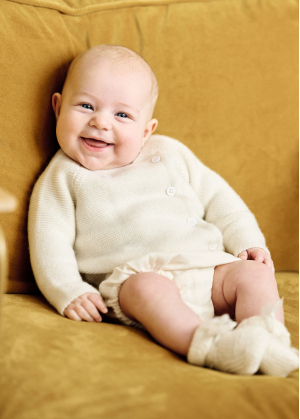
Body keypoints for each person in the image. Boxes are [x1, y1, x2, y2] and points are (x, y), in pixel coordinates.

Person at [28, 44, 298, 377]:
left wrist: (247, 240)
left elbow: (220, 199)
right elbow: (48, 240)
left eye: (122, 114)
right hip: (137, 279)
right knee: (147, 289)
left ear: (146, 131)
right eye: (86, 106)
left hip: (208, 267)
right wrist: (68, 289)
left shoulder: (170, 152)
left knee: (255, 274)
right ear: (57, 108)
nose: (100, 122)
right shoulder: (62, 175)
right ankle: (209, 347)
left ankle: (269, 341)